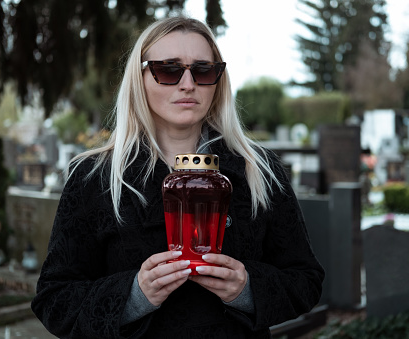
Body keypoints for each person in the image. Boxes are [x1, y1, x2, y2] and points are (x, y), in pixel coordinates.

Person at [31, 16, 324, 339]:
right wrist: (135, 295)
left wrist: (246, 288)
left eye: (203, 70)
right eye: (169, 69)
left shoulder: (260, 170)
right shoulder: (95, 176)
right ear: (140, 78)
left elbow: (306, 280)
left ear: (218, 80)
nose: (188, 84)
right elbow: (53, 299)